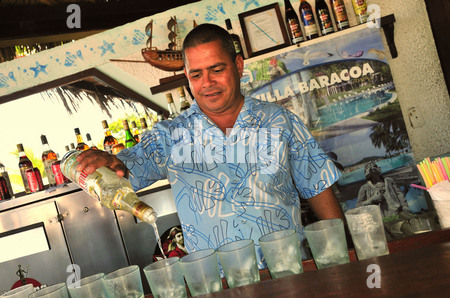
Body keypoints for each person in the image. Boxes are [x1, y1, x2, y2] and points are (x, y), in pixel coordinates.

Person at [75, 23, 344, 268]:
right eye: (196, 74)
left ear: (238, 66)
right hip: (219, 287)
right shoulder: (169, 137)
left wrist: (343, 261)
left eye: (217, 69)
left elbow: (319, 189)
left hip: (290, 273)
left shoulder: (280, 122)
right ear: (187, 76)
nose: (207, 83)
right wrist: (101, 164)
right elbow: (121, 173)